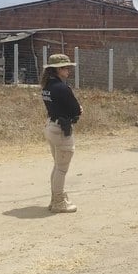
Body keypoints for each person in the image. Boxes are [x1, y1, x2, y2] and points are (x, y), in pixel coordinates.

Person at [41, 54, 83, 213]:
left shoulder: (47, 86)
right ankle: (58, 202)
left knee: (58, 166)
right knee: (62, 168)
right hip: (61, 130)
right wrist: (79, 111)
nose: (68, 71)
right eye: (66, 68)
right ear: (58, 69)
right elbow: (75, 109)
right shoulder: (61, 88)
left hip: (51, 126)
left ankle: (55, 198)